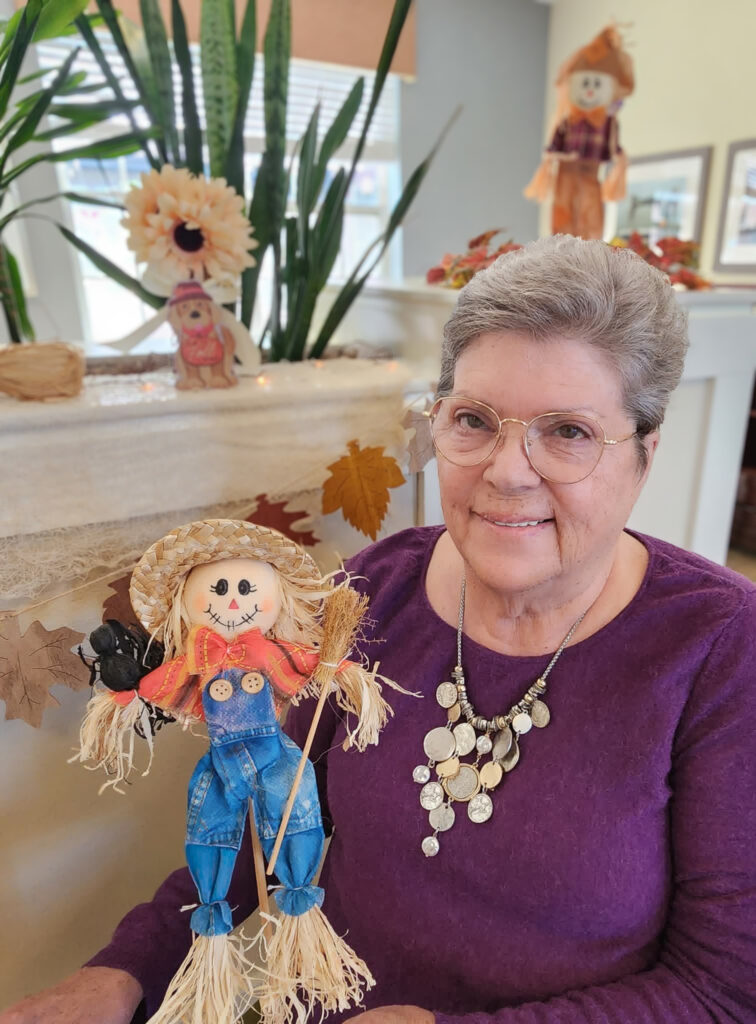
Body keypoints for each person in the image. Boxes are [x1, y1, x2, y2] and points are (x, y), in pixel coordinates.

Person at [3, 234, 755, 1024]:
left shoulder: (720, 648)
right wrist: (126, 969)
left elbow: (724, 990)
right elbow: (268, 810)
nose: (507, 470)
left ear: (644, 455)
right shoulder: (373, 593)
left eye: (568, 431)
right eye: (473, 420)